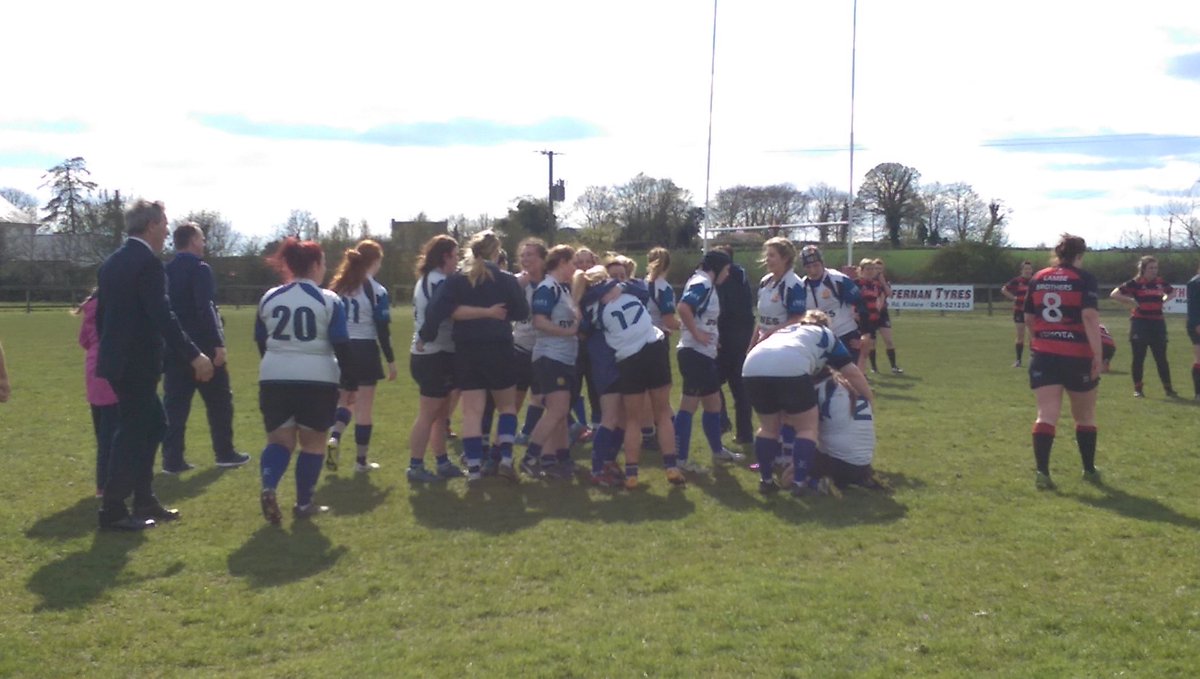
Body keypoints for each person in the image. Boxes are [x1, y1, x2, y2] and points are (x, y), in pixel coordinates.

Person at [96, 200, 214, 531]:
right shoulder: (148, 264)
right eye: (163, 223)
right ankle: (113, 508)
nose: (166, 229)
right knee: (135, 430)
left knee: (154, 425)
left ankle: (144, 498)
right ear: (150, 226)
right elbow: (162, 315)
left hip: (119, 361)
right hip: (136, 362)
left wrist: (111, 352)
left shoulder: (112, 262)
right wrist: (194, 354)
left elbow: (103, 318)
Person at [255, 237, 352, 524]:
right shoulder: (329, 300)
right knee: (313, 444)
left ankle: (269, 486)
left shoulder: (269, 297)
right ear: (315, 265)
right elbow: (341, 345)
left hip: (274, 377)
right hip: (317, 379)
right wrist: (350, 383)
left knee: (279, 441)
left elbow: (261, 340)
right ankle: (304, 503)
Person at [419, 231, 529, 482]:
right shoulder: (505, 279)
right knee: (507, 407)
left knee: (472, 412)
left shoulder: (457, 279)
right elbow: (522, 311)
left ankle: (474, 468)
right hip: (499, 348)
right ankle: (506, 458)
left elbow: (436, 309)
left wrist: (426, 335)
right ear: (496, 252)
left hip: (467, 351)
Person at [742, 310, 873, 495]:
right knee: (806, 428)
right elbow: (851, 372)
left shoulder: (788, 330)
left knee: (768, 428)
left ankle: (766, 480)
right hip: (791, 365)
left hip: (752, 365)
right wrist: (868, 400)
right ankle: (800, 483)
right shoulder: (825, 335)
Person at [578, 265, 685, 489]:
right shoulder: (627, 289)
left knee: (630, 419)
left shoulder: (589, 304)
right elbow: (644, 292)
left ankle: (630, 473)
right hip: (652, 349)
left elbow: (584, 329)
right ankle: (671, 466)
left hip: (625, 359)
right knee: (662, 413)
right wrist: (620, 286)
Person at [161, 223, 250, 473]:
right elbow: (205, 308)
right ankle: (225, 452)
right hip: (203, 347)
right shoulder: (200, 269)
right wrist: (218, 343)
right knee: (219, 402)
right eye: (201, 239)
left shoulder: (166, 270)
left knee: (175, 406)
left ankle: (172, 459)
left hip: (175, 346)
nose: (204, 243)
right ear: (192, 240)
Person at [1025, 234, 1103, 491]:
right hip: (1077, 355)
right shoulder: (1084, 278)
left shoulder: (1038, 277)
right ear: (1079, 255)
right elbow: (1089, 317)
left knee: (1046, 414)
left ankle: (1042, 473)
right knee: (1085, 416)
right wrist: (1098, 355)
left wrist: (1039, 340)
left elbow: (1029, 318)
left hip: (1044, 355)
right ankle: (1089, 469)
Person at [326, 240, 397, 473]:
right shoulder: (376, 290)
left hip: (340, 349)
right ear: (375, 261)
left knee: (345, 401)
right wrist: (391, 361)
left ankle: (334, 437)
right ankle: (360, 462)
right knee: (364, 409)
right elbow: (382, 330)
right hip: (365, 349)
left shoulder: (338, 286)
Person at [675, 249, 743, 473]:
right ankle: (680, 459)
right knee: (689, 405)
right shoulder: (702, 282)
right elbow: (683, 307)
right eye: (726, 270)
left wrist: (712, 339)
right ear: (717, 268)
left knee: (714, 404)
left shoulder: (707, 283)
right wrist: (697, 335)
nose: (727, 274)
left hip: (703, 354)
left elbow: (702, 317)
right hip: (694, 354)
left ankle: (717, 451)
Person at [406, 235, 465, 482]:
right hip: (432, 354)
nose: (458, 260)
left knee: (440, 415)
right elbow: (451, 313)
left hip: (436, 352)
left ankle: (442, 462)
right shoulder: (438, 281)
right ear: (445, 257)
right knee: (428, 414)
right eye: (455, 255)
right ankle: (415, 466)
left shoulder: (430, 279)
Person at [523, 245, 580, 479]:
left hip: (563, 357)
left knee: (561, 412)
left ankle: (559, 459)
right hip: (551, 357)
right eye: (573, 262)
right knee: (557, 411)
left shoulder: (562, 288)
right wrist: (568, 332)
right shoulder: (548, 288)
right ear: (562, 262)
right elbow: (539, 321)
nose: (575, 268)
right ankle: (530, 457)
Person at [1111, 256, 1177, 398]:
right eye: (1151, 268)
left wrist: (1164, 300)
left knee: (1161, 358)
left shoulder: (1160, 282)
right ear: (1143, 269)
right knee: (1139, 357)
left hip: (1158, 323)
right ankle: (1138, 389)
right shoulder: (1135, 283)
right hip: (1140, 323)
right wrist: (1130, 300)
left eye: (1156, 268)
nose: (1154, 271)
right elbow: (1114, 294)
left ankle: (1168, 389)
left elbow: (1172, 292)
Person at [76, 291, 118, 497]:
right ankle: (106, 484)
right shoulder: (116, 304)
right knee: (112, 435)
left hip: (93, 370)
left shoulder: (90, 307)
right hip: (113, 368)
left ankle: (105, 482)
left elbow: (83, 340)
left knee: (101, 430)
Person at [812, 369, 881, 493]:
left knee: (796, 450)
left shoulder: (821, 389)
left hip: (838, 464)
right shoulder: (851, 385)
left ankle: (814, 482)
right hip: (864, 466)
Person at [714, 244, 755, 445]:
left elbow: (722, 309)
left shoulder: (725, 279)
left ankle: (722, 420)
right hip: (743, 337)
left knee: (712, 382)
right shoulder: (742, 276)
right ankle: (745, 434)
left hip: (726, 338)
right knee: (740, 389)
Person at [640, 247, 679, 450]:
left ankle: (647, 433)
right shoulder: (663, 287)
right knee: (661, 390)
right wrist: (690, 325)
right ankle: (670, 430)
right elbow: (669, 320)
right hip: (656, 341)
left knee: (645, 390)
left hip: (638, 340)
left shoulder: (640, 284)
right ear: (668, 265)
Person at [798, 245, 864, 363]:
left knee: (848, 373)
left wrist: (862, 334)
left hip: (845, 336)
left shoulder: (838, 280)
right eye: (808, 267)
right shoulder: (801, 286)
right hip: (818, 340)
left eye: (816, 265)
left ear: (822, 263)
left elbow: (861, 304)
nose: (812, 270)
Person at [511, 238, 548, 446]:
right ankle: (505, 437)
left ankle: (526, 432)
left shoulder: (551, 283)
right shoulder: (515, 282)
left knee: (540, 395)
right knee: (515, 397)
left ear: (543, 259)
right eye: (523, 255)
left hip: (544, 348)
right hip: (520, 347)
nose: (525, 259)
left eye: (530, 255)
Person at [871, 258, 903, 374]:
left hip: (883, 313)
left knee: (888, 340)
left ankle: (894, 366)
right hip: (871, 313)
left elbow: (889, 294)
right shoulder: (868, 282)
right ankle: (874, 367)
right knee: (872, 343)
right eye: (876, 268)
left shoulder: (884, 282)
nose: (878, 271)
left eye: (880, 269)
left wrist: (883, 282)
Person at [1002, 261, 1035, 368]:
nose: (1028, 271)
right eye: (1025, 269)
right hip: (1019, 310)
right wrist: (1014, 298)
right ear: (1021, 270)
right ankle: (1018, 360)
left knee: (1032, 335)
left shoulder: (1035, 280)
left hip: (1032, 311)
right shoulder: (1017, 281)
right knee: (1020, 336)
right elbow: (1004, 290)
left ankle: (1033, 359)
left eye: (1029, 268)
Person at [855, 258, 883, 374]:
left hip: (872, 319)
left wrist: (877, 309)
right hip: (859, 320)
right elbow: (852, 301)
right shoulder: (857, 284)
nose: (870, 271)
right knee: (859, 348)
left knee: (866, 350)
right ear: (861, 270)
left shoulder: (875, 285)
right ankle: (859, 374)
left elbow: (879, 298)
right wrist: (854, 313)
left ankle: (862, 373)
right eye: (868, 269)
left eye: (872, 269)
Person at [1188, 262, 1200, 399]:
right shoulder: (1195, 283)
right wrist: (1197, 323)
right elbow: (1193, 307)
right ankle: (1198, 393)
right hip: (1196, 324)